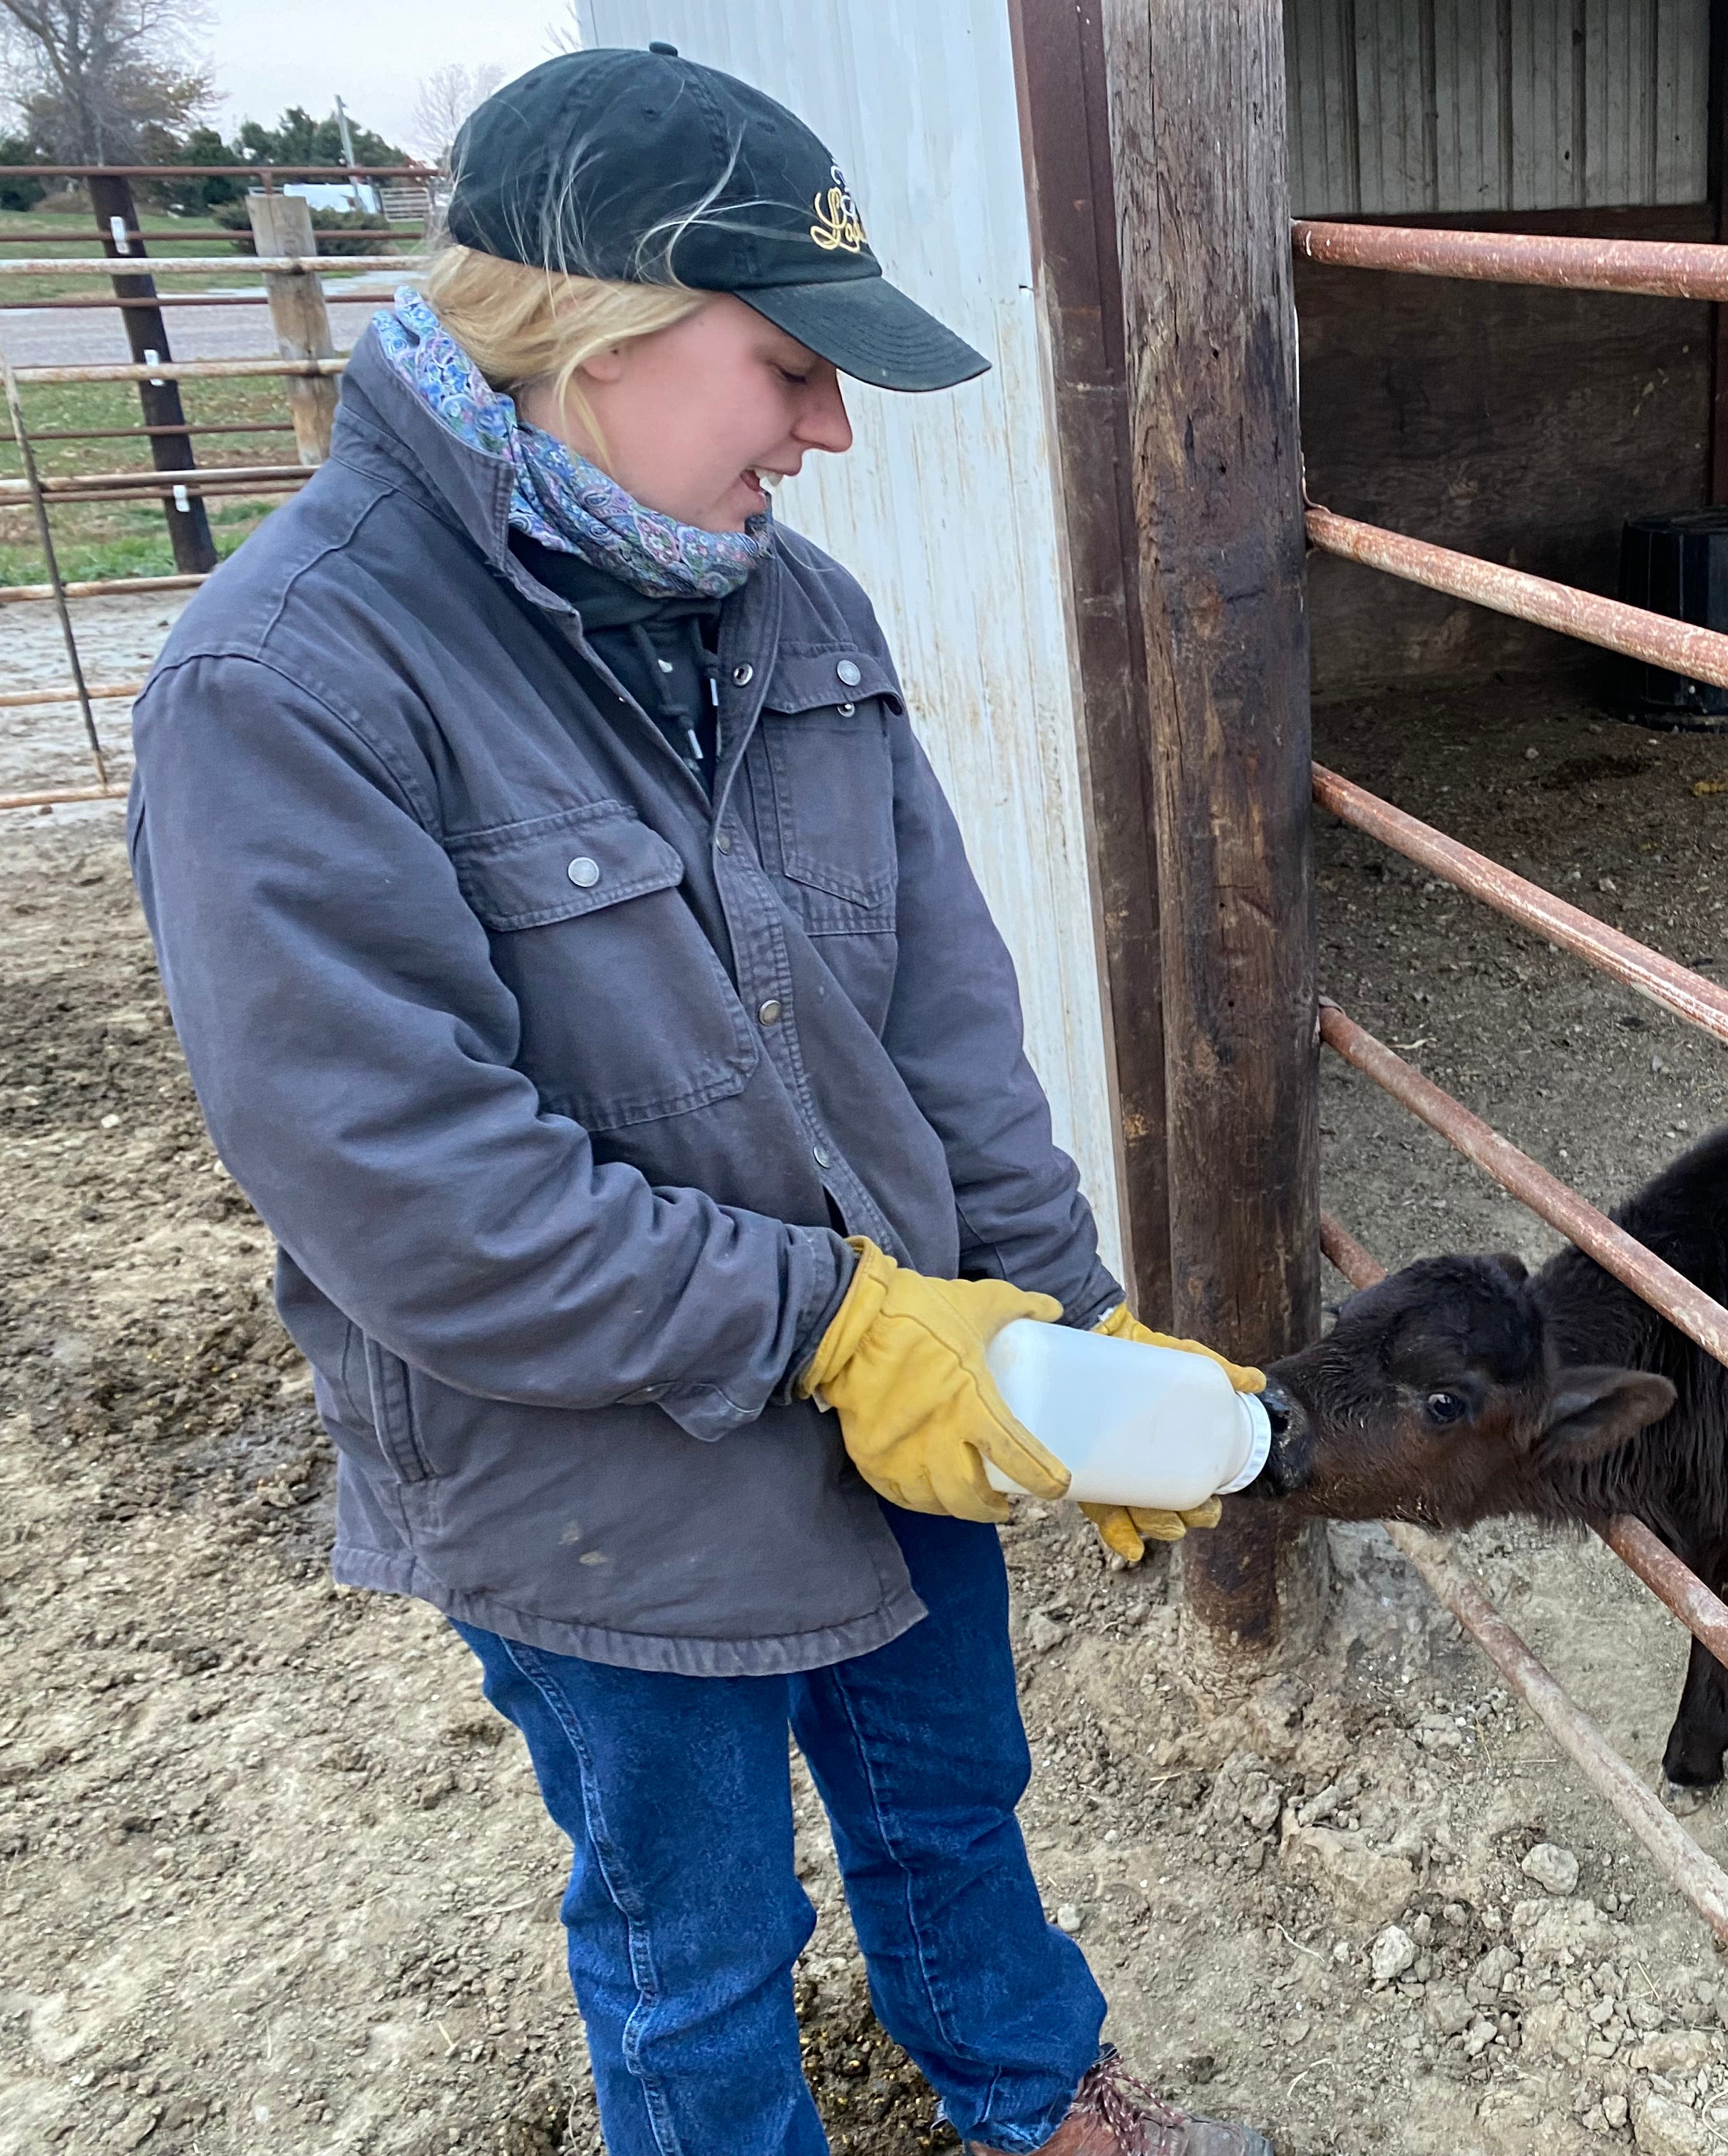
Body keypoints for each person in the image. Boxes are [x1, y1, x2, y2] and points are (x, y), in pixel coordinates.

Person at [128, 44, 1272, 2156]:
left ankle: (1033, 2088)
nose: (831, 429)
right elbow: (408, 1184)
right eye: (787, 365)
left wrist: (1056, 1311)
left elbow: (942, 1023)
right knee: (694, 1923)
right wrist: (835, 1325)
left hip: (903, 1380)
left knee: (953, 1791)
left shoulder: (790, 614)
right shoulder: (287, 683)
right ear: (597, 342)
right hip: (598, 1464)